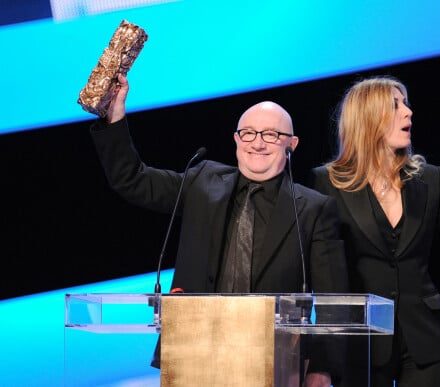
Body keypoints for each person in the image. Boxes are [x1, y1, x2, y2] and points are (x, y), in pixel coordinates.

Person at [90, 73, 348, 387]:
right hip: (193, 352)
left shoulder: (313, 209)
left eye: (270, 134)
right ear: (236, 139)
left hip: (274, 360)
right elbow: (132, 180)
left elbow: (336, 301)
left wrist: (321, 369)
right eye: (249, 132)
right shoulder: (203, 182)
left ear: (291, 145)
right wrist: (115, 117)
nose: (257, 142)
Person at [309, 75, 440, 387]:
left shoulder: (430, 179)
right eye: (395, 106)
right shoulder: (327, 183)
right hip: (363, 342)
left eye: (406, 103)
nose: (408, 112)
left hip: (425, 339)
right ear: (368, 118)